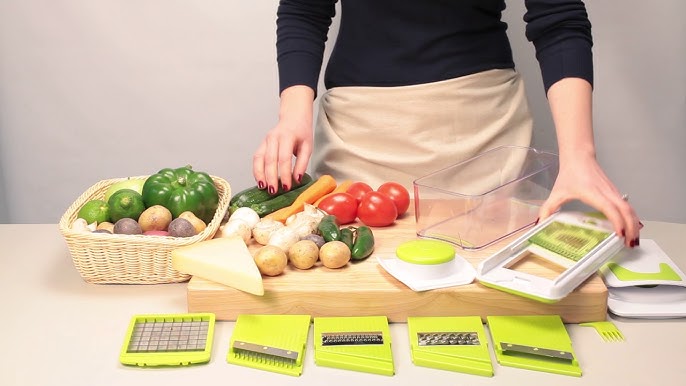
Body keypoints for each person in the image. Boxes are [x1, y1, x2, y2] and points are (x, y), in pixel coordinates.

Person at [252, 0, 641, 247]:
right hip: (360, 136)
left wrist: (579, 155)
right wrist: (293, 115)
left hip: (485, 137)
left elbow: (557, 16)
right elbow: (304, 8)